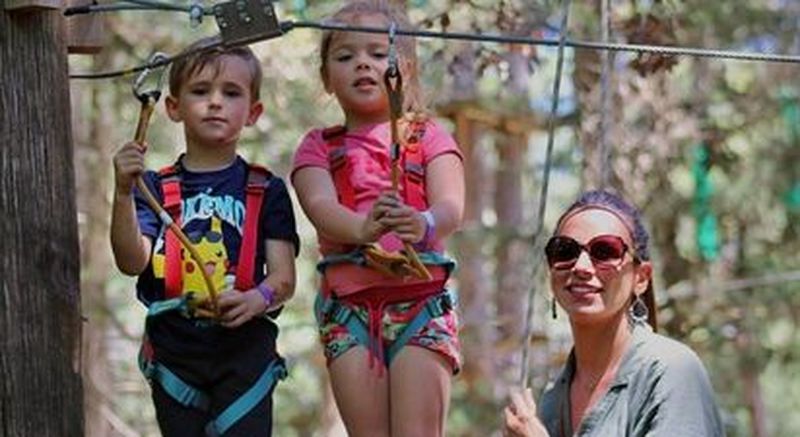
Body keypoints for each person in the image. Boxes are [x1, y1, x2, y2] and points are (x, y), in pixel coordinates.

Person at [291, 2, 465, 436]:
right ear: (326, 77)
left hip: (421, 305)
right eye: (345, 56)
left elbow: (450, 206)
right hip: (349, 312)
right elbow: (319, 205)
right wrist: (362, 229)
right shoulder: (318, 146)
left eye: (377, 53)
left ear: (404, 68)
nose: (363, 64)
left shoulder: (428, 137)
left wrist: (422, 222)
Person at [110, 37, 299, 437]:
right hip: (176, 353)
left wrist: (256, 299)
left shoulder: (267, 191)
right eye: (200, 91)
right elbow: (131, 262)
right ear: (174, 107)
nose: (215, 102)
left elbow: (283, 278)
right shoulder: (152, 187)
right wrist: (124, 192)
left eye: (231, 93)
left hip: (245, 352)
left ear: (253, 111)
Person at [504, 190, 725, 437]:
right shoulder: (551, 401)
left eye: (605, 251)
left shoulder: (672, 371)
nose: (581, 267)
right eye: (565, 251)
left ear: (641, 278)